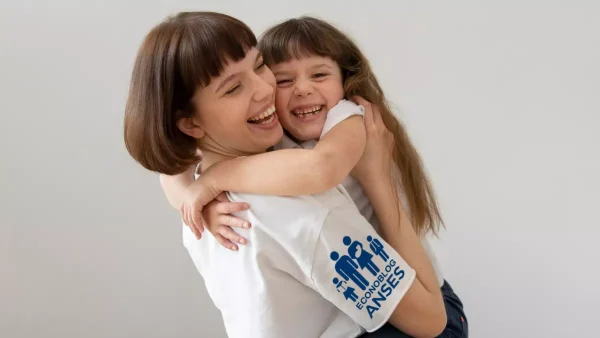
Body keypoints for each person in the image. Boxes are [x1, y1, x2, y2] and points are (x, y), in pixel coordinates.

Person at [124, 11, 452, 337]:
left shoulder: (336, 127)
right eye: (233, 88)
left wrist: (213, 181)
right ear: (190, 124)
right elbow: (168, 172)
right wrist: (195, 202)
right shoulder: (264, 195)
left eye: (259, 65)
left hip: (417, 301)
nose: (266, 90)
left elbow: (321, 168)